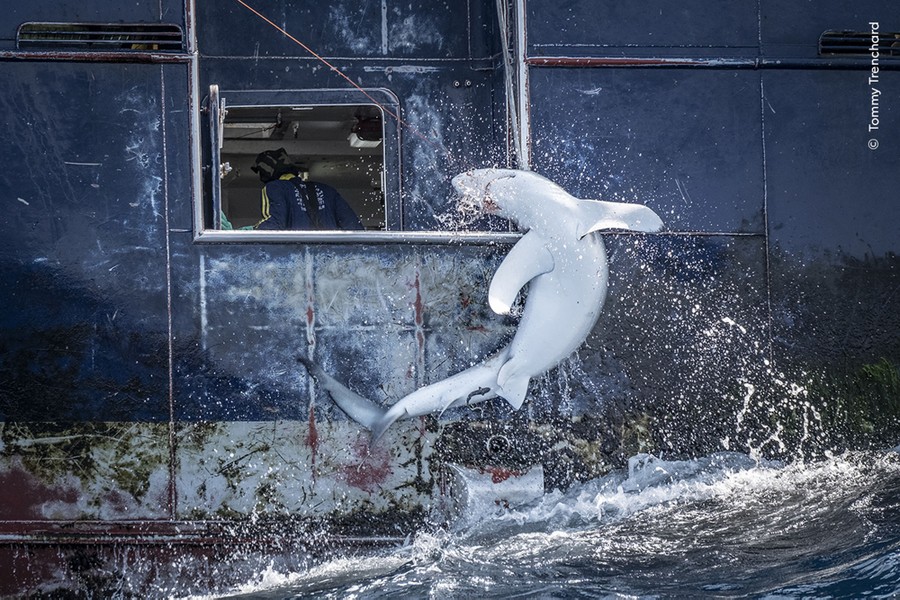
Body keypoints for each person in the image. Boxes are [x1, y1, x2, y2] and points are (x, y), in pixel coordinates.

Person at [251, 148, 364, 230]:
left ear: (265, 173)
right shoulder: (328, 190)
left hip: (295, 258)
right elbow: (355, 227)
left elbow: (274, 226)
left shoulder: (275, 188)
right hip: (329, 259)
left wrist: (251, 231)